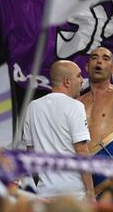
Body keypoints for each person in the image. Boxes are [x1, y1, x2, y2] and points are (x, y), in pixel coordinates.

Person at [23, 60, 95, 201]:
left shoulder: (33, 107)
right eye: (79, 76)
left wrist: (41, 185)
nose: (82, 80)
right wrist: (91, 192)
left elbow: (30, 154)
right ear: (67, 82)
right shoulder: (76, 106)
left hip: (44, 194)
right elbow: (81, 150)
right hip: (73, 195)